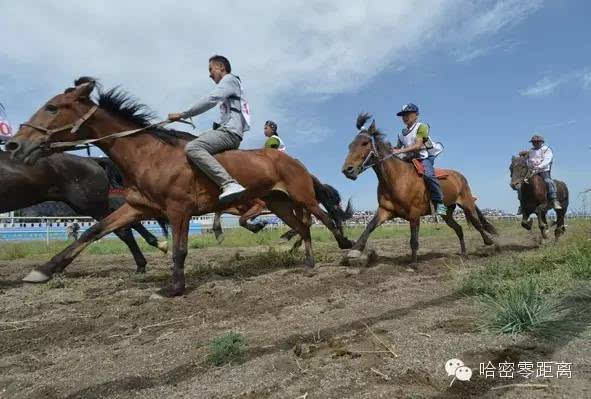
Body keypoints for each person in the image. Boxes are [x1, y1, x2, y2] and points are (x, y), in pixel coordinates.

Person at [168, 55, 250, 203]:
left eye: (211, 69)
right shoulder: (232, 83)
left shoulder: (229, 79)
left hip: (230, 133)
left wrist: (183, 114)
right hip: (228, 130)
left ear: (221, 67)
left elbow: (211, 99)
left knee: (193, 147)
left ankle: (228, 183)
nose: (209, 74)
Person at [391, 103, 447, 216]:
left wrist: (399, 151)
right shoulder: (401, 134)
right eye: (403, 115)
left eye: (407, 114)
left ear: (416, 115)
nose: (405, 117)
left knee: (429, 175)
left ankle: (440, 204)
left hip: (424, 156)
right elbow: (397, 148)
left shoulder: (422, 127)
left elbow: (417, 145)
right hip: (409, 158)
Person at [517, 134, 561, 212]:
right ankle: (522, 205)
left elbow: (547, 160)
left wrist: (539, 166)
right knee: (521, 185)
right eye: (534, 142)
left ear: (541, 142)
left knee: (549, 182)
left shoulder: (546, 149)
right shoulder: (531, 151)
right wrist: (530, 165)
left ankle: (554, 200)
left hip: (544, 171)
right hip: (533, 172)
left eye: (537, 142)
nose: (535, 143)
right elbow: (529, 161)